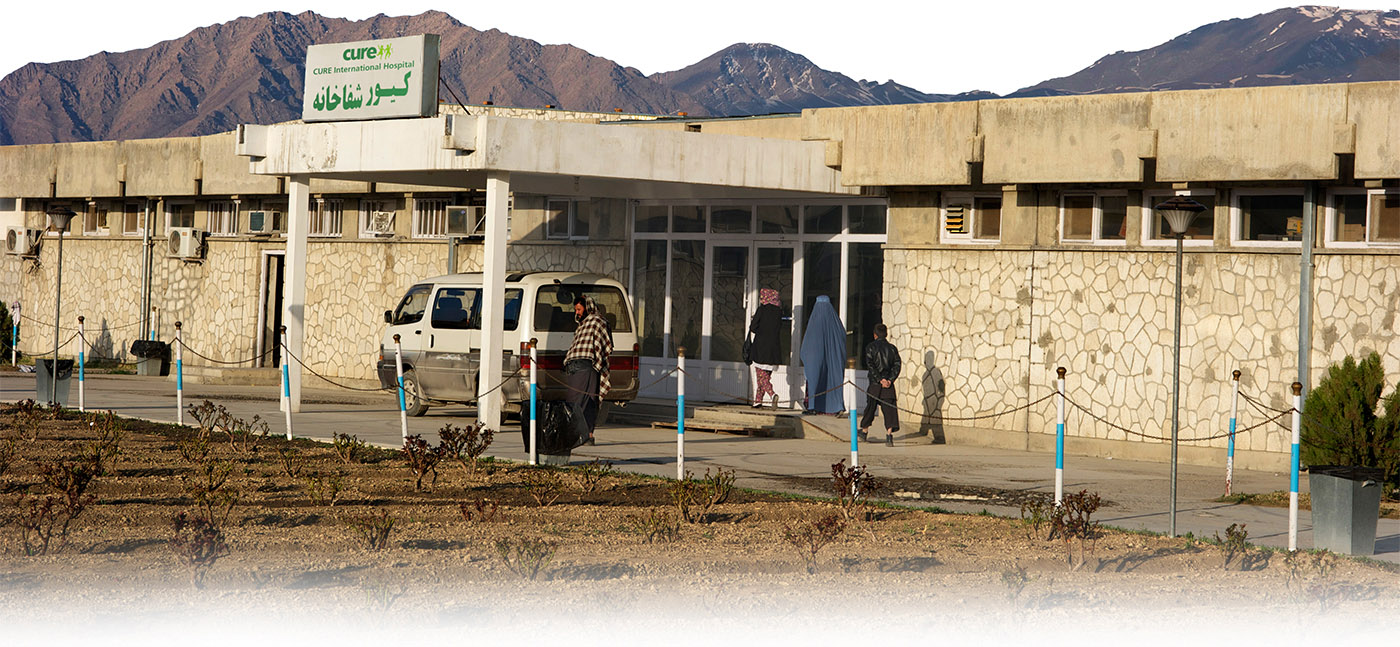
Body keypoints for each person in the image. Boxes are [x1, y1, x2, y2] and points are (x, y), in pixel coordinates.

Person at [564, 294, 612, 445]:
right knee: (585, 399)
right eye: (576, 309)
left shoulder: (598, 321)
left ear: (588, 307)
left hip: (588, 365)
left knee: (581, 400)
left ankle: (583, 434)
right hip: (576, 365)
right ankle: (583, 434)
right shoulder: (583, 324)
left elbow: (605, 343)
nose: (577, 312)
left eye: (579, 309)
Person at [799, 295, 846, 414]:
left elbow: (806, 348)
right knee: (834, 380)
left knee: (815, 378)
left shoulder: (814, 323)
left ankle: (813, 407)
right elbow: (842, 341)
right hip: (834, 362)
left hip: (815, 362)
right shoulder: (836, 324)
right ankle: (836, 407)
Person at [859, 324, 901, 447]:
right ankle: (889, 436)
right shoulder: (892, 348)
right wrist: (889, 380)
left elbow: (870, 365)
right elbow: (897, 365)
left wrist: (879, 379)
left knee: (870, 407)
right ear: (886, 334)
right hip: (888, 383)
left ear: (875, 334)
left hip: (875, 383)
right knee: (889, 410)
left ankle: (864, 431)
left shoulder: (871, 347)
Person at [748, 288, 784, 408]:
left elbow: (753, 327)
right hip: (773, 348)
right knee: (765, 375)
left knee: (761, 375)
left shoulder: (762, 309)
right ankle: (758, 400)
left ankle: (772, 394)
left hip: (761, 347)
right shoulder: (778, 311)